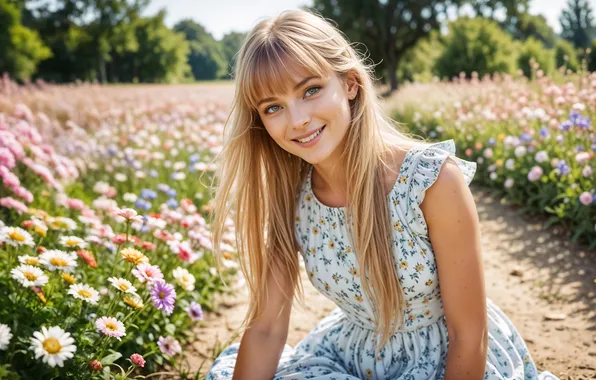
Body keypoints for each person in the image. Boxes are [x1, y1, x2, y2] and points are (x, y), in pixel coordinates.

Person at [207, 8, 559, 380]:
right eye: (273, 107)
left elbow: (468, 335)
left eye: (311, 90)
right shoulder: (292, 197)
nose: (297, 120)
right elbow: (266, 329)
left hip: (448, 360)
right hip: (350, 355)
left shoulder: (430, 181)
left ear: (350, 84)